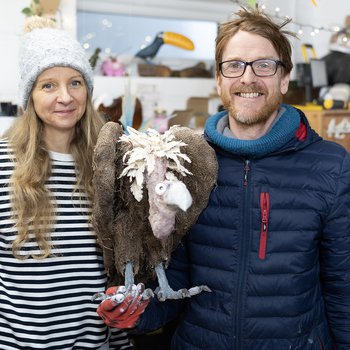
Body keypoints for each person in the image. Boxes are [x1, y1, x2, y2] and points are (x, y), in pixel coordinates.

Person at [96, 5, 350, 350]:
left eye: (264, 65)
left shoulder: (331, 165)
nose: (248, 78)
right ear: (219, 80)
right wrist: (138, 312)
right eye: (234, 66)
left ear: (285, 78)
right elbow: (176, 275)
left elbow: (342, 286)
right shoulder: (185, 162)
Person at [0, 16, 133, 350]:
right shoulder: (4, 164)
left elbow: (113, 274)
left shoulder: (110, 166)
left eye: (75, 82)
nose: (65, 97)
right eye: (48, 85)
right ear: (29, 95)